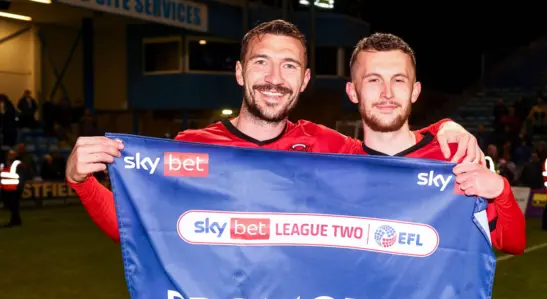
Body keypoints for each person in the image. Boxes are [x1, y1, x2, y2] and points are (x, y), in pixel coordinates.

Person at [65, 20, 483, 242]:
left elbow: (393, 149)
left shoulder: (331, 145)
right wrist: (80, 181)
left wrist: (445, 127)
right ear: (240, 72)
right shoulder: (191, 149)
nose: (274, 77)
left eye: (288, 67)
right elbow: (135, 227)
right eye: (261, 62)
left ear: (302, 81)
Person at [344, 33, 526, 254]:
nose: (387, 93)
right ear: (353, 92)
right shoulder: (335, 160)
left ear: (415, 91)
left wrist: (501, 190)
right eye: (374, 80)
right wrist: (443, 124)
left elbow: (513, 243)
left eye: (399, 80)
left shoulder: (455, 157)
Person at [0, 150, 27, 227]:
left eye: (12, 155)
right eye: (9, 154)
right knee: (9, 205)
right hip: (5, 189)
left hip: (14, 189)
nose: (10, 156)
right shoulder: (2, 164)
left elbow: (22, 177)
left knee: (14, 206)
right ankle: (16, 220)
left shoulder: (18, 164)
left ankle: (15, 220)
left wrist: (20, 188)